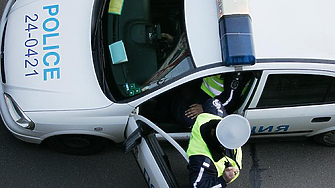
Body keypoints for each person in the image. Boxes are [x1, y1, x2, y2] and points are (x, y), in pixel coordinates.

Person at [187, 99, 251, 188]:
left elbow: (213, 102)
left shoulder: (214, 115)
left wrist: (202, 107)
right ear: (222, 145)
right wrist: (223, 180)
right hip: (212, 174)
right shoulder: (203, 160)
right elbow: (196, 186)